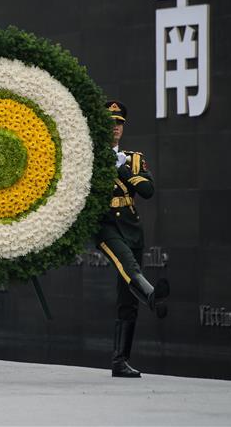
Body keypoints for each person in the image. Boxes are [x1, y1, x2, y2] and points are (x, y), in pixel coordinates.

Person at [95, 100, 169, 378]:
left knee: (127, 299)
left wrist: (123, 169)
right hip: (105, 226)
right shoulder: (90, 158)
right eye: (111, 122)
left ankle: (120, 361)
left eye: (119, 123)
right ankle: (151, 294)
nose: (115, 127)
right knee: (128, 265)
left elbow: (148, 191)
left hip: (131, 227)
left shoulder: (133, 158)